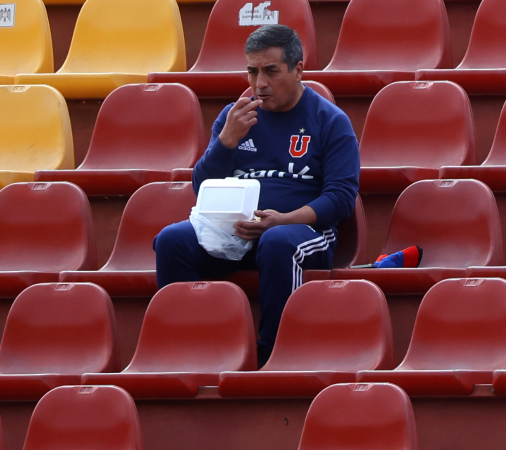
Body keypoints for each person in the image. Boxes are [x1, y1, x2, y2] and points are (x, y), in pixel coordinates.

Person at [154, 25, 360, 365]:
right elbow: (201, 188)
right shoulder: (234, 117)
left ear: (298, 70)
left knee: (278, 242)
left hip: (300, 231)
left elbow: (341, 198)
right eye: (252, 71)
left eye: (271, 71)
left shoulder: (330, 121)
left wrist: (284, 220)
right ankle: (192, 349)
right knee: (171, 241)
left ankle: (274, 355)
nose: (259, 83)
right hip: (233, 231)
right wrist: (226, 143)